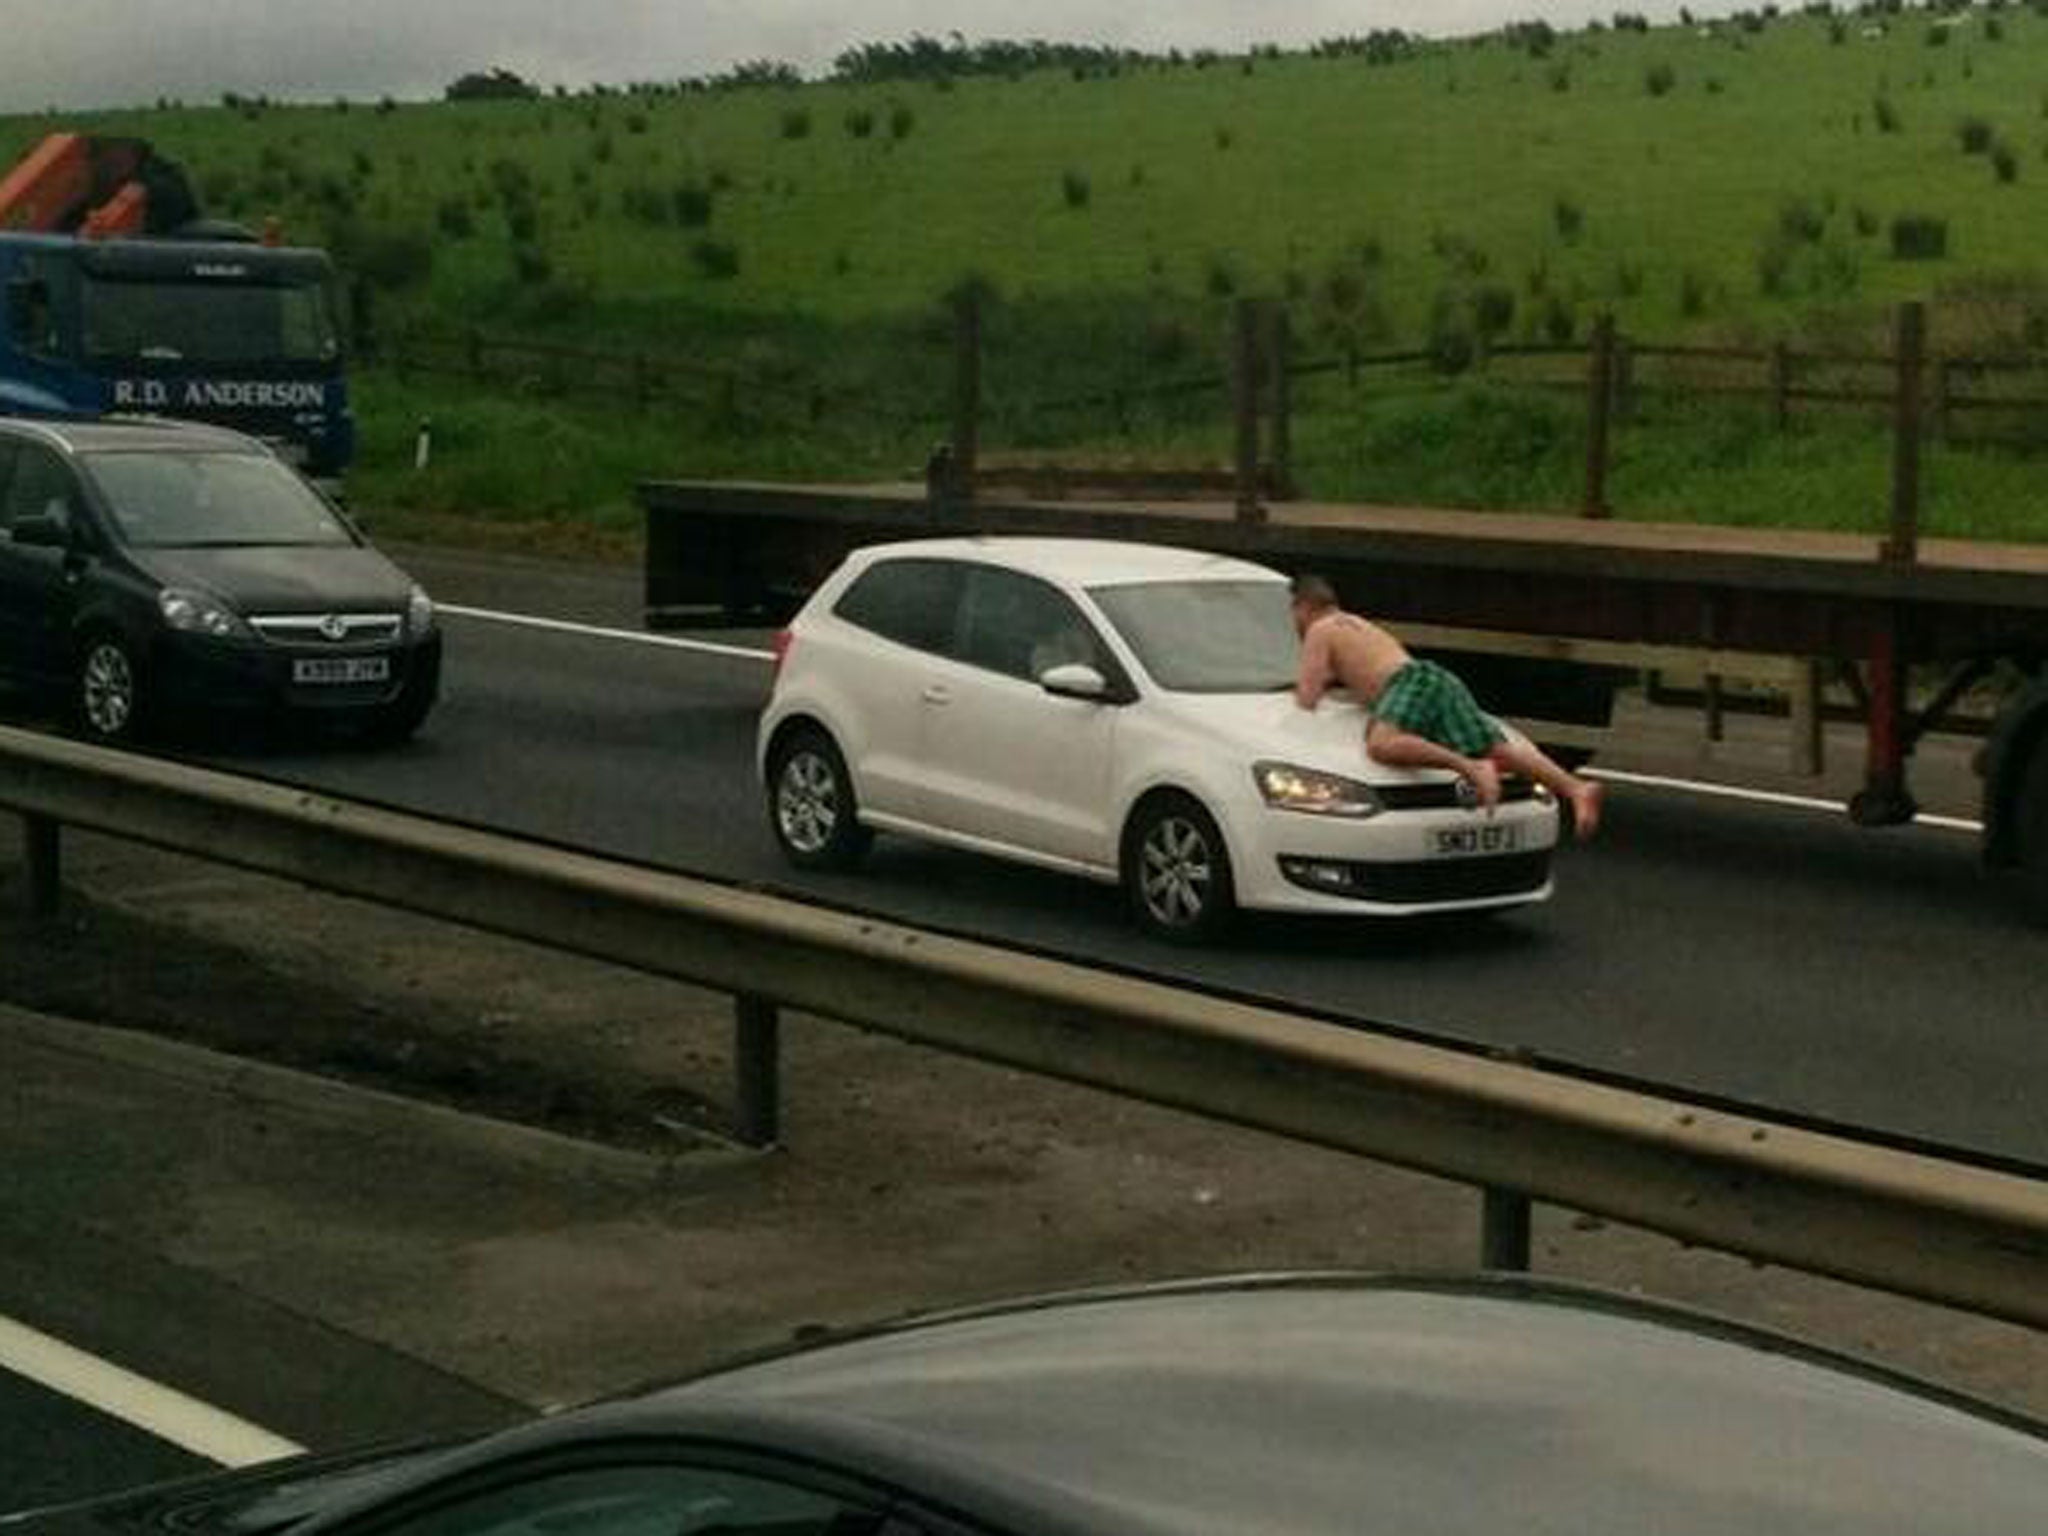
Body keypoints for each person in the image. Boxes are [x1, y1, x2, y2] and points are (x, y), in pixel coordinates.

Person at [1289, 574, 1604, 839]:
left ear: (1302, 607)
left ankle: (1470, 767)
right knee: (1498, 749)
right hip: (1434, 677)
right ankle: (1576, 788)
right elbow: (1357, 667)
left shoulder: (1321, 629)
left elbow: (1308, 695)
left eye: (1293, 614)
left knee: (1382, 744)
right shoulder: (1353, 623)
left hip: (1408, 682)